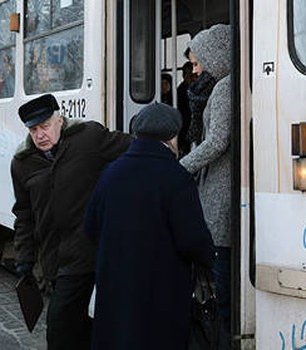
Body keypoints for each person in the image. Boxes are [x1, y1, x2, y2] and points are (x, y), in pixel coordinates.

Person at [84, 102, 215, 350]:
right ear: (172, 136)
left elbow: (90, 227)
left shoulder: (111, 173)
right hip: (161, 291)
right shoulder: (176, 176)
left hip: (116, 288)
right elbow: (192, 240)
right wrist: (210, 257)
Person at [11, 94, 132, 350]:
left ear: (60, 120)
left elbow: (132, 148)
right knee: (68, 326)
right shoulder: (22, 163)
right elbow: (24, 215)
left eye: (45, 126)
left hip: (98, 248)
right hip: (59, 257)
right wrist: (24, 259)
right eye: (34, 130)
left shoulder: (87, 137)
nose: (40, 134)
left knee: (67, 324)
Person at [179, 24, 233, 349]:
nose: (196, 70)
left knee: (221, 286)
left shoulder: (225, 88)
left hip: (219, 193)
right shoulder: (224, 85)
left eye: (199, 63)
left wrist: (180, 167)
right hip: (217, 189)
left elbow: (217, 141)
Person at [184, 47, 217, 150]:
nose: (194, 71)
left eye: (196, 64)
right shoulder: (197, 90)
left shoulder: (218, 89)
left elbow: (217, 141)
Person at [176, 61, 197, 156]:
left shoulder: (199, 89)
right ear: (184, 76)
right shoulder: (181, 92)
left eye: (195, 76)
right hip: (184, 127)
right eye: (190, 76)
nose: (194, 80)